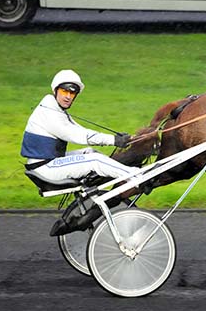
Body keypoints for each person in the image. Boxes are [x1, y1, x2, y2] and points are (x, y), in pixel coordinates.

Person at [21, 69, 140, 236]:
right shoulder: (49, 112)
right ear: (55, 90)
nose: (68, 96)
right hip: (45, 168)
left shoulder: (54, 108)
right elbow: (76, 135)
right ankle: (135, 176)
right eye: (64, 91)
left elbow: (79, 129)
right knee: (94, 161)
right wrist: (113, 140)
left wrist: (118, 138)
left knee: (89, 152)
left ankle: (111, 177)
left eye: (72, 92)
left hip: (46, 163)